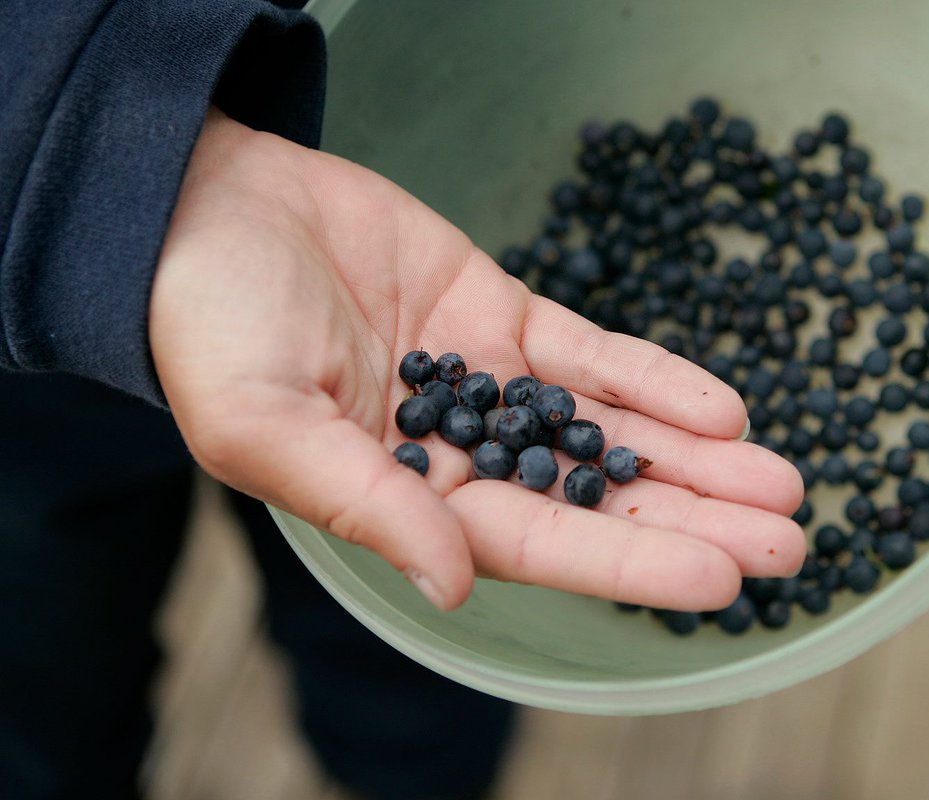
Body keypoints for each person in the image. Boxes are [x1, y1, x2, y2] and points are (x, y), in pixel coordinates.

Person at [0, 2, 806, 799]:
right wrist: (100, 159)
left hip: (364, 140)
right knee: (48, 670)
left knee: (403, 636)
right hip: (34, 345)